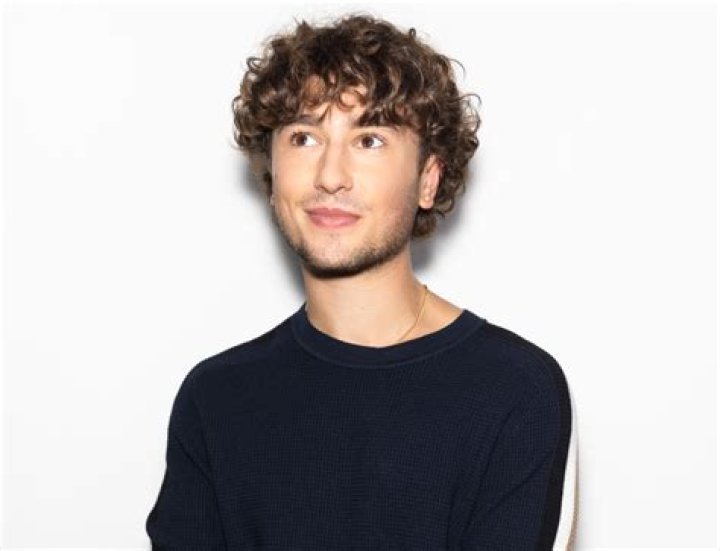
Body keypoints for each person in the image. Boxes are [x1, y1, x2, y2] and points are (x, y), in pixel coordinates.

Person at [145, 12, 578, 550]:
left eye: (369, 140)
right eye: (304, 137)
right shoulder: (216, 399)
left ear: (428, 179)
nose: (330, 175)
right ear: (273, 175)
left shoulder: (513, 391)